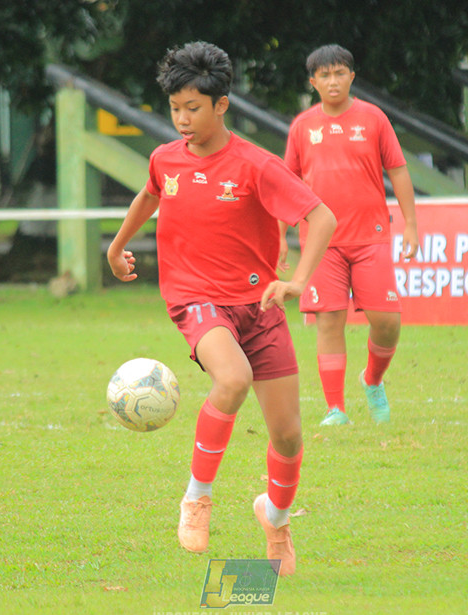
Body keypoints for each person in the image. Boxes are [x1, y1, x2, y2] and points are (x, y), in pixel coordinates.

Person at [106, 42, 337, 576]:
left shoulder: (256, 165)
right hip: (195, 298)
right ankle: (196, 498)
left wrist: (297, 281)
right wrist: (118, 246)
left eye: (194, 108)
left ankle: (275, 521)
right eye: (175, 109)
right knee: (231, 379)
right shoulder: (165, 158)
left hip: (258, 305)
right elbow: (149, 194)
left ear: (222, 105)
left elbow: (320, 218)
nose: (183, 120)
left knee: (288, 435)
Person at [282, 44, 419, 426]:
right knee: (329, 320)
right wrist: (279, 236)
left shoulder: (373, 119)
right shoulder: (302, 126)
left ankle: (372, 379)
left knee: (388, 321)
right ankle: (336, 409)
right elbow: (286, 185)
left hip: (370, 237)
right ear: (313, 82)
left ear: (352, 77)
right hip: (320, 243)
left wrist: (410, 223)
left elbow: (399, 170)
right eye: (324, 75)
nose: (333, 81)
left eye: (339, 73)